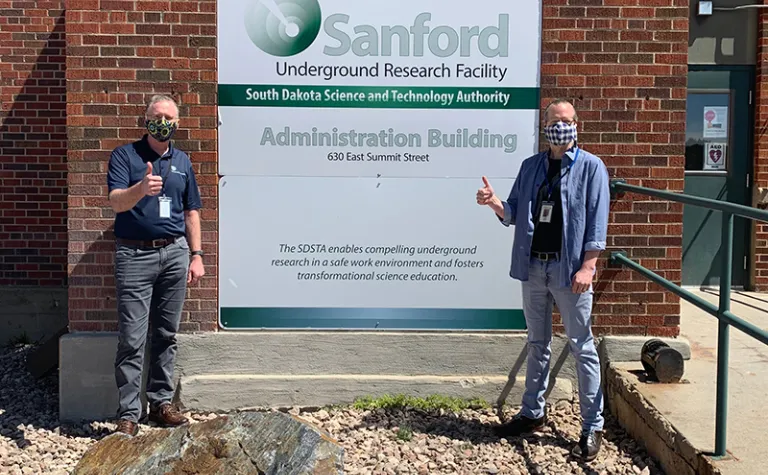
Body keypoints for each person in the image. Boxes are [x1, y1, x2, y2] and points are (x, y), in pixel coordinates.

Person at [476, 99, 610, 461]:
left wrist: (589, 266)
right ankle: (532, 413)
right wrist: (493, 202)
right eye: (554, 120)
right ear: (545, 125)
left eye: (567, 120)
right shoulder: (531, 166)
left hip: (570, 272)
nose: (560, 126)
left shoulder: (592, 168)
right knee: (538, 343)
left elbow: (598, 222)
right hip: (534, 267)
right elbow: (515, 212)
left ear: (576, 124)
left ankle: (591, 426)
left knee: (582, 346)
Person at [106, 94, 205, 436]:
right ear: (145, 119)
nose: (162, 121)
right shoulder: (125, 156)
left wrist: (197, 255)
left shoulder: (183, 161)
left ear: (177, 124)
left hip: (175, 254)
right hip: (134, 256)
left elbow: (191, 210)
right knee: (132, 338)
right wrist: (140, 189)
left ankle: (160, 403)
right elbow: (116, 202)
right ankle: (129, 414)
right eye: (156, 115)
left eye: (168, 117)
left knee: (166, 334)